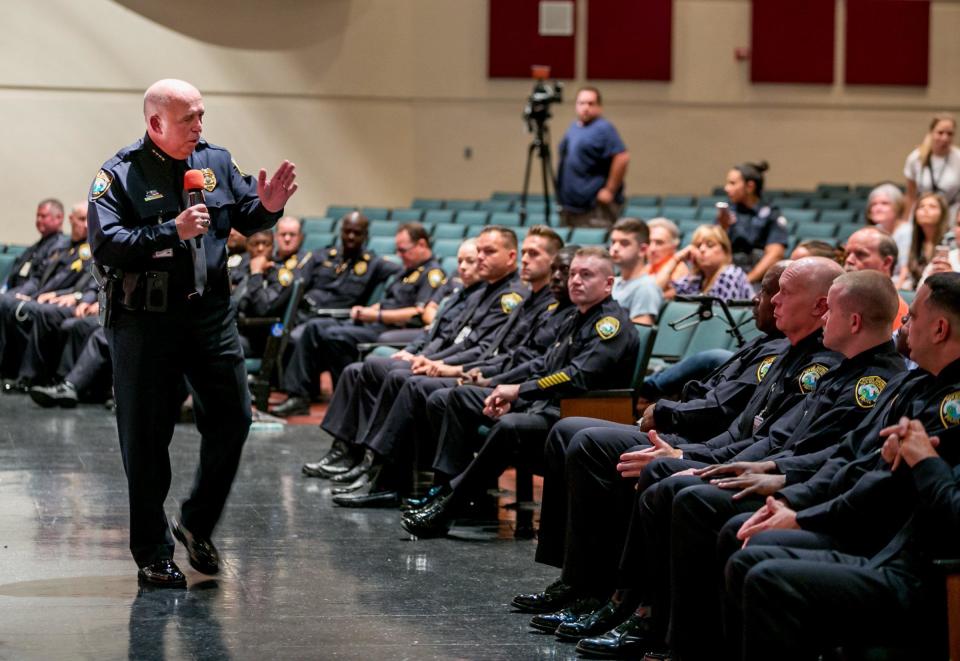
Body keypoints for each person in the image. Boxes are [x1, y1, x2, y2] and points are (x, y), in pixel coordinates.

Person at [512, 257, 842, 640]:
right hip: (715, 446)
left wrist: (683, 447)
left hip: (714, 447)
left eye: (779, 292)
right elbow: (741, 423)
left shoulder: (814, 363)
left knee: (602, 447)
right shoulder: (783, 349)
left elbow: (754, 431)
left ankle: (631, 603)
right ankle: (582, 582)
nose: (765, 300)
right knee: (575, 435)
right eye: (775, 290)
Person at [87, 78, 298, 588]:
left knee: (234, 419)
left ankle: (197, 523)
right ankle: (152, 551)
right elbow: (107, 244)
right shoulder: (119, 173)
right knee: (145, 439)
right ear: (156, 123)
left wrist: (268, 208)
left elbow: (248, 214)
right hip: (145, 320)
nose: (199, 127)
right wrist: (169, 231)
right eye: (189, 119)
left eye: (202, 115)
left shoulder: (217, 162)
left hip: (210, 313)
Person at [723, 273, 960, 659]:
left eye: (912, 315)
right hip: (887, 545)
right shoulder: (915, 386)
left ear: (939, 329)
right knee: (751, 548)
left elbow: (892, 490)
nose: (904, 322)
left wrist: (803, 515)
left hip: (919, 566)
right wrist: (791, 499)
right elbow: (852, 457)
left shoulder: (945, 406)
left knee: (761, 567)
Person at [401, 247, 640, 538]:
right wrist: (499, 387)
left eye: (586, 275)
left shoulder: (610, 325)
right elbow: (544, 364)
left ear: (608, 284)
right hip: (546, 405)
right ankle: (443, 489)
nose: (575, 280)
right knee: (463, 395)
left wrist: (520, 392)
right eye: (573, 273)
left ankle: (449, 505)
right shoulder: (575, 318)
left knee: (510, 426)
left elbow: (574, 377)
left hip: (577, 414)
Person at [273, 222, 443, 415]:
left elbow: (418, 312)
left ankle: (346, 398)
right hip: (373, 322)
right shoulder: (406, 271)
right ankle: (299, 396)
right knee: (314, 327)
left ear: (421, 244)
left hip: (391, 329)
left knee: (335, 336)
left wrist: (377, 315)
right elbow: (391, 302)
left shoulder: (432, 273)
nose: (400, 255)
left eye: (403, 250)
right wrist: (369, 309)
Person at [0, 202, 93, 390]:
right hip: (44, 298)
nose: (86, 225)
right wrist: (25, 294)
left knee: (40, 312)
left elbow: (86, 286)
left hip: (69, 302)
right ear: (71, 220)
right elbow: (39, 277)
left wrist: (68, 296)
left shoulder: (91, 250)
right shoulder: (61, 247)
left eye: (89, 220)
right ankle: (7, 369)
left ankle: (29, 378)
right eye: (82, 219)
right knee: (7, 303)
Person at [555, 87, 629, 228]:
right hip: (570, 206)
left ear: (599, 106)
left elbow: (622, 157)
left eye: (591, 103)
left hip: (593, 208)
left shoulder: (604, 128)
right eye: (581, 103)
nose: (586, 107)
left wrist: (609, 189)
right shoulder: (574, 127)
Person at [716, 160, 788, 284]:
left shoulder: (771, 213)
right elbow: (714, 248)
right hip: (728, 274)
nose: (726, 188)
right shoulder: (728, 211)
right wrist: (723, 228)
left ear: (750, 186)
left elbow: (775, 254)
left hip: (756, 280)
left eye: (732, 183)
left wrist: (747, 281)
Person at [660, 224, 754, 301]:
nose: (702, 249)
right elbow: (658, 293)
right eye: (698, 245)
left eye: (710, 245)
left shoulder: (730, 274)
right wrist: (676, 258)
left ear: (725, 251)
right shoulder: (696, 279)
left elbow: (720, 320)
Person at [0, 199, 67, 295]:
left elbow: (39, 281)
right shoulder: (35, 247)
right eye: (37, 216)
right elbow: (13, 273)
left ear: (59, 218)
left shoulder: (60, 247)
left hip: (27, 295)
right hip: (13, 292)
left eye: (43, 216)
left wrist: (15, 294)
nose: (39, 220)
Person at [904, 112, 960, 223]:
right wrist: (906, 221)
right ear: (931, 133)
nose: (945, 138)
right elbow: (911, 195)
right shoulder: (916, 158)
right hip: (923, 216)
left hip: (951, 216)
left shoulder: (958, 158)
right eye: (940, 133)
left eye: (949, 134)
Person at [607, 218, 662, 324]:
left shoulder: (646, 287)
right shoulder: (614, 282)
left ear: (643, 250)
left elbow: (641, 332)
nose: (615, 248)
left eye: (624, 243)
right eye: (613, 242)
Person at [896, 191, 950, 290]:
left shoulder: (950, 240)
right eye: (921, 206)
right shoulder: (914, 240)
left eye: (932, 206)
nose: (925, 210)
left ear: (942, 214)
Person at [864, 183, 911, 271]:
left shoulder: (907, 231)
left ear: (897, 206)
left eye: (884, 203)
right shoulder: (876, 229)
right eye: (874, 204)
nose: (878, 208)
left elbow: (905, 269)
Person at [642, 218, 688, 283]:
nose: (652, 249)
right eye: (648, 242)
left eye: (659, 243)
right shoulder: (647, 268)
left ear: (674, 246)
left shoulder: (678, 270)